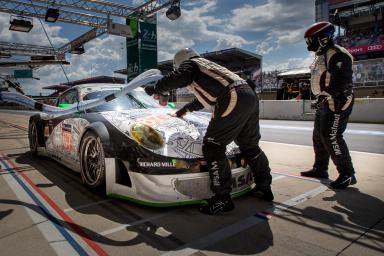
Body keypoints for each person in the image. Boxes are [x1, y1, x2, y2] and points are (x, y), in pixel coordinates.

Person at [144, 48, 273, 215]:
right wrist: (182, 111)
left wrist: (156, 88)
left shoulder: (191, 65)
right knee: (250, 145)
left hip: (233, 96)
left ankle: (222, 198)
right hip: (248, 94)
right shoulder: (207, 67)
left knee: (213, 146)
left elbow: (180, 77)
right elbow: (203, 99)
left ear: (180, 63)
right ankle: (265, 187)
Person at [301, 21, 357, 189]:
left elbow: (342, 81)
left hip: (337, 102)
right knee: (318, 136)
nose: (308, 44)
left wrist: (325, 95)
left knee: (332, 137)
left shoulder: (338, 54)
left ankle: (347, 174)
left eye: (311, 40)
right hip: (325, 102)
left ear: (323, 38)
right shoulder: (321, 54)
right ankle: (320, 168)